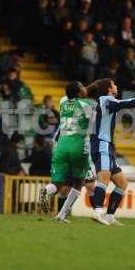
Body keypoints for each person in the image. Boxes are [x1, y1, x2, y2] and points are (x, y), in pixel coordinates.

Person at [90, 78, 135, 225]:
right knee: (103, 179)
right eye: (114, 84)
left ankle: (109, 216)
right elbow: (124, 103)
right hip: (102, 145)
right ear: (108, 88)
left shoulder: (103, 101)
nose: (116, 86)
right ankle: (97, 213)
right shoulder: (105, 99)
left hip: (107, 146)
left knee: (122, 183)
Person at [39, 81, 93, 222]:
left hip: (61, 146)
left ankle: (46, 191)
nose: (84, 88)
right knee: (79, 182)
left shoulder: (63, 103)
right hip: (77, 147)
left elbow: (73, 94)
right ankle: (62, 214)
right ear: (78, 93)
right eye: (82, 86)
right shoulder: (86, 105)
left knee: (57, 184)